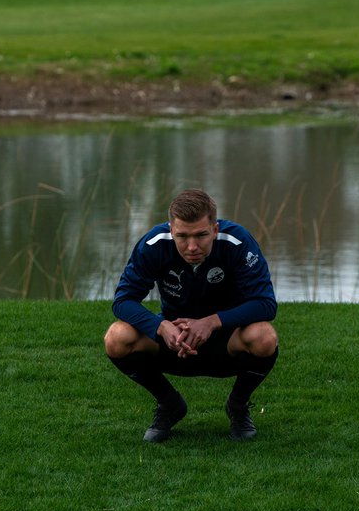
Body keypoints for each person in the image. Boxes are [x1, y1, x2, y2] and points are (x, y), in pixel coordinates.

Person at [104, 188, 278, 442]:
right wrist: (160, 326)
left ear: (215, 230)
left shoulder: (238, 242)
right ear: (171, 230)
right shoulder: (154, 244)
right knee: (117, 337)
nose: (192, 246)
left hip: (226, 342)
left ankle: (237, 406)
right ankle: (169, 404)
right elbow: (123, 300)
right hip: (174, 342)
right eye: (182, 236)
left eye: (201, 235)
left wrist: (212, 322)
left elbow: (265, 304)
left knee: (264, 336)